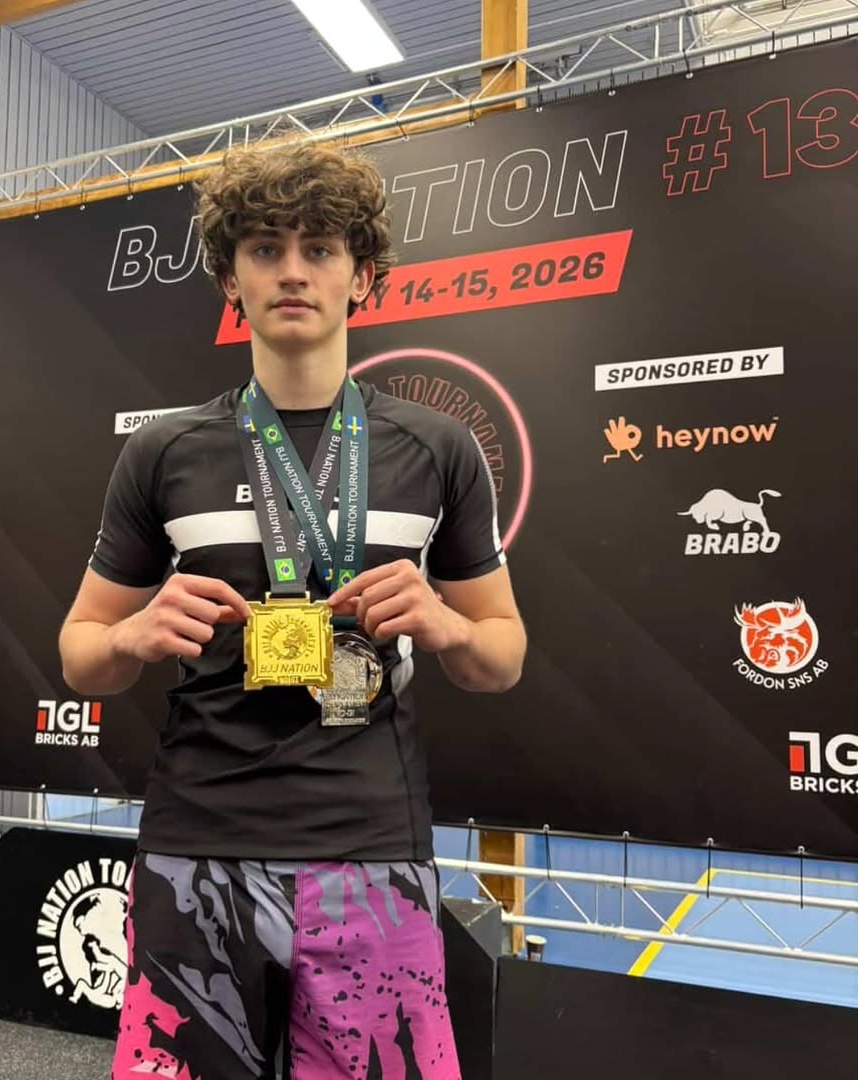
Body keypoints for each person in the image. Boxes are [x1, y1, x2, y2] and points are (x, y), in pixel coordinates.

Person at [59, 141, 527, 1080]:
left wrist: (443, 624)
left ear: (364, 278)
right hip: (197, 848)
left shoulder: (438, 448)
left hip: (372, 852)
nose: (293, 272)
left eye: (320, 249)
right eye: (266, 249)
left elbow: (502, 655)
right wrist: (134, 635)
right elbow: (80, 653)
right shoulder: (163, 451)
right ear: (230, 280)